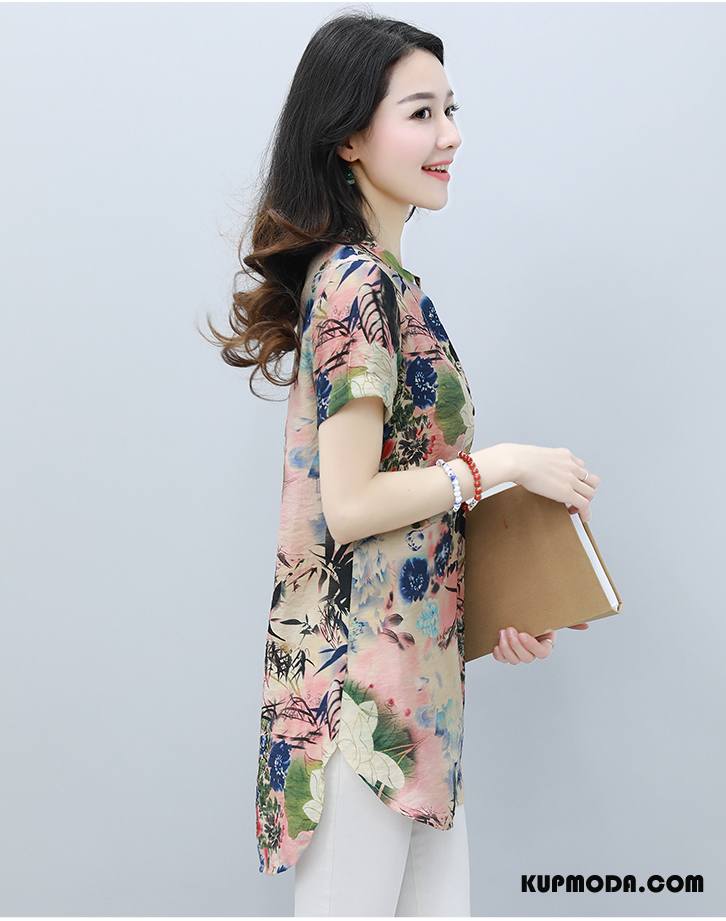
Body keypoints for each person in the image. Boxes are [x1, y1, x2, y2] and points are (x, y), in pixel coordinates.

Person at [204, 11, 601, 917]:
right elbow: (350, 505)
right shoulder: (355, 284)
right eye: (421, 113)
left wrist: (499, 605)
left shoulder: (389, 285)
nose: (450, 135)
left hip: (416, 701)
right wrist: (500, 464)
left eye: (450, 110)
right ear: (348, 137)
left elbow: (404, 521)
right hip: (357, 710)